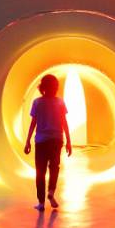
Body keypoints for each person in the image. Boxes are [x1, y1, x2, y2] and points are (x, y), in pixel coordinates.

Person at [24, 74, 72, 211]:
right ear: (55, 87)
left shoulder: (37, 102)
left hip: (41, 141)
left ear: (42, 87)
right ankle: (51, 192)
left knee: (40, 172)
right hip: (56, 140)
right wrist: (69, 141)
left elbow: (33, 123)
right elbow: (64, 123)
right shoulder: (60, 102)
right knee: (54, 167)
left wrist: (27, 142)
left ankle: (41, 203)